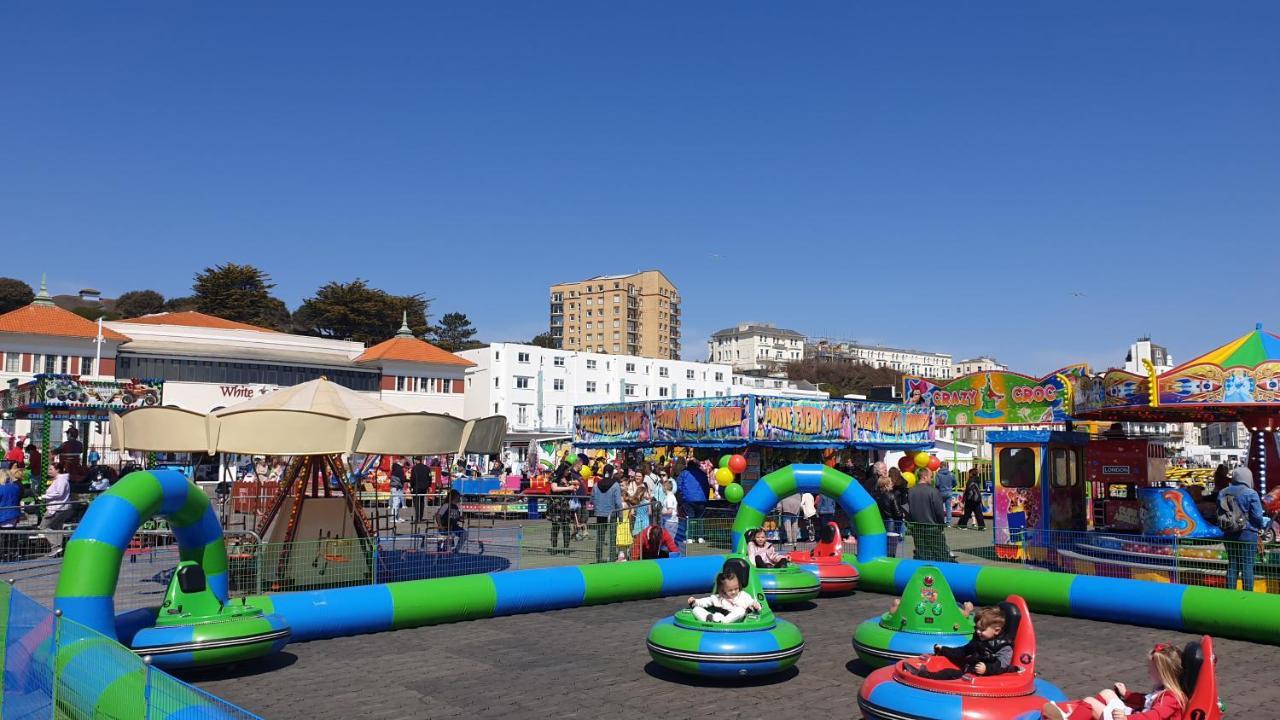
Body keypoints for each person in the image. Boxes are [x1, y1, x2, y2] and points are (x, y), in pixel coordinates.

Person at [1041, 643, 1187, 720]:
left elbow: (1153, 717)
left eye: (1151, 668)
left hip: (1132, 718)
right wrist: (1126, 694)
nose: (1148, 670)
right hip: (1133, 714)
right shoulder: (1163, 690)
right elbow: (1145, 701)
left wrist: (1127, 718)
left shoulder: (1171, 698)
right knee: (1107, 693)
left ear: (1163, 672)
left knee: (1090, 702)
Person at [902, 606, 1011, 680]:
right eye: (977, 628)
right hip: (971, 671)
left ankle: (925, 676)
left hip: (983, 678)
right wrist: (944, 649)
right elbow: (963, 651)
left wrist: (987, 669)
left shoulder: (1004, 646)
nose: (978, 632)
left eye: (982, 630)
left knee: (949, 673)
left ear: (996, 630)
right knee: (949, 668)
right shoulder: (979, 639)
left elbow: (1002, 665)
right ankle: (922, 675)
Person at [1217, 466, 1268, 591]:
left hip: (1229, 533)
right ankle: (1247, 598)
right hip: (1248, 535)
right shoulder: (1251, 493)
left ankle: (1230, 597)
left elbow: (1219, 512)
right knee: (1247, 566)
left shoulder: (1223, 492)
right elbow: (1257, 516)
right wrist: (1261, 527)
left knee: (1232, 565)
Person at [907, 467, 952, 562]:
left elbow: (907, 510)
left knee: (922, 555)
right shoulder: (933, 491)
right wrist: (941, 525)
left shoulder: (911, 491)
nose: (932, 479)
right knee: (940, 554)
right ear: (924, 476)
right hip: (932, 527)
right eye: (930, 477)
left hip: (917, 528)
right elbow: (939, 511)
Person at [686, 569, 761, 623]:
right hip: (717, 616)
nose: (734, 591)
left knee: (740, 610)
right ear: (723, 590)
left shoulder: (743, 596)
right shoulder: (719, 597)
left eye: (736, 588)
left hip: (734, 620)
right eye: (730, 590)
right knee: (696, 609)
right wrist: (695, 601)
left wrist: (755, 606)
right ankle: (710, 620)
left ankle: (722, 622)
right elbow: (706, 601)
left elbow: (752, 603)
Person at [592, 464, 623, 562]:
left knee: (600, 537)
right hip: (612, 514)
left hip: (600, 513)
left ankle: (599, 558)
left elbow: (592, 499)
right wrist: (620, 515)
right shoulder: (615, 485)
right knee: (612, 537)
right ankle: (612, 557)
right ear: (611, 473)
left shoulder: (596, 485)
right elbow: (618, 502)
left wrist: (597, 507)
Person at [548, 457, 579, 554]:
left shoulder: (569, 477)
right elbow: (554, 488)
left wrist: (574, 486)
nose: (568, 472)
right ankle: (554, 548)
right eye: (567, 470)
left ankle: (566, 548)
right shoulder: (555, 476)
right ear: (563, 469)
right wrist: (568, 488)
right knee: (555, 527)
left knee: (566, 526)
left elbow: (575, 485)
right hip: (556, 504)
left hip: (566, 504)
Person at [675, 459, 708, 545]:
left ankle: (689, 537)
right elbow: (706, 486)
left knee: (690, 518)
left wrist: (682, 497)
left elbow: (678, 486)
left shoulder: (684, 473)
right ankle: (700, 537)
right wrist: (706, 498)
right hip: (701, 499)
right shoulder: (702, 473)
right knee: (699, 519)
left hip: (688, 499)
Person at [874, 474, 904, 557]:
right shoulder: (892, 495)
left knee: (882, 546)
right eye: (890, 483)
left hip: (880, 523)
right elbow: (898, 513)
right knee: (891, 549)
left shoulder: (876, 496)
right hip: (892, 524)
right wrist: (903, 515)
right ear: (887, 485)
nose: (892, 484)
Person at [40, 461, 75, 531]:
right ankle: (56, 541)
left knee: (44, 528)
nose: (49, 471)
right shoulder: (58, 480)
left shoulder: (61, 480)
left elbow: (59, 493)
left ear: (57, 470)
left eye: (51, 469)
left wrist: (44, 496)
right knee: (55, 528)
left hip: (56, 509)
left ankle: (53, 542)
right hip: (56, 508)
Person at [433, 489, 467, 553]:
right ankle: (446, 549)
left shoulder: (456, 507)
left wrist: (460, 518)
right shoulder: (446, 505)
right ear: (454, 497)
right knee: (451, 535)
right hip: (445, 526)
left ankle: (456, 550)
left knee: (464, 533)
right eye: (458, 496)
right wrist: (440, 526)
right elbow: (438, 515)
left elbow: (455, 517)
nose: (459, 498)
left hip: (454, 527)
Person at [0, 468, 22, 560]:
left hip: (3, 515)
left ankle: (4, 554)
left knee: (3, 537)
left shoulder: (1, 488)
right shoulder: (16, 487)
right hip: (13, 515)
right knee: (10, 536)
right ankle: (12, 553)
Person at [410, 457, 433, 525]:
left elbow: (412, 478)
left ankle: (417, 518)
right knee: (422, 502)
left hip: (416, 487)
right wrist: (429, 485)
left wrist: (411, 486)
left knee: (416, 503)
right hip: (424, 487)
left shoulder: (414, 468)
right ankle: (421, 517)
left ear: (417, 460)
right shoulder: (427, 468)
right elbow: (430, 477)